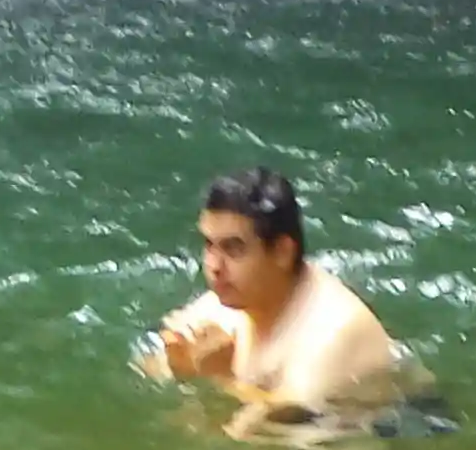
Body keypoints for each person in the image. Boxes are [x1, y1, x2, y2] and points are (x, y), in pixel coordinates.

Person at [135, 164, 414, 416]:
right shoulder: (225, 302)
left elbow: (291, 427)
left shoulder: (333, 332)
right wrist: (179, 366)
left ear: (282, 252)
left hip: (395, 424)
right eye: (209, 245)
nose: (214, 266)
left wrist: (221, 375)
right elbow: (151, 364)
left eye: (233, 248)